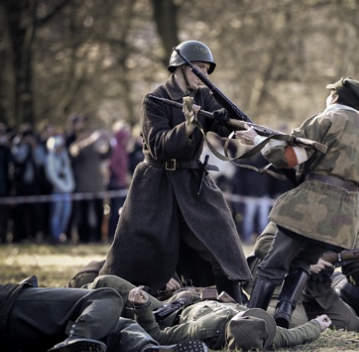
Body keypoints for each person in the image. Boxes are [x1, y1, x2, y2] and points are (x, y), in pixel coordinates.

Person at [99, 40, 251, 302]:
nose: (203, 73)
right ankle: (120, 300)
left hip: (193, 183)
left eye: (206, 68)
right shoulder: (154, 100)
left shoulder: (203, 96)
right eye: (198, 68)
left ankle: (235, 305)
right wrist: (189, 126)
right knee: (143, 254)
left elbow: (222, 121)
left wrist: (241, 130)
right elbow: (159, 146)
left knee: (222, 242)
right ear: (180, 68)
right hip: (156, 186)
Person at [233, 76, 359, 328]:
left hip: (310, 208)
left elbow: (292, 155)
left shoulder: (326, 119)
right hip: (343, 217)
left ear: (335, 97)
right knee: (302, 264)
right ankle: (284, 313)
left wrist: (257, 140)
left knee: (271, 267)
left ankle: (251, 318)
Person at [0, 276, 208, 352]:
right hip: (7, 304)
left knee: (108, 322)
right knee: (106, 296)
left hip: (14, 330)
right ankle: (76, 339)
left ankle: (148, 349)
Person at [126, 283, 332, 352]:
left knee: (108, 281)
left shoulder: (202, 331)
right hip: (198, 294)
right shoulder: (263, 335)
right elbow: (293, 336)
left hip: (169, 308)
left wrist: (141, 307)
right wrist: (317, 324)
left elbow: (157, 337)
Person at [44, 134, 76, 244]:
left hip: (67, 191)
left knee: (66, 214)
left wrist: (69, 186)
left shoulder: (64, 157)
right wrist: (62, 186)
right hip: (57, 191)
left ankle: (61, 234)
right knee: (56, 215)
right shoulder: (50, 158)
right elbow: (52, 175)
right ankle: (55, 236)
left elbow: (68, 173)